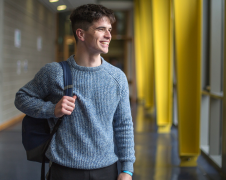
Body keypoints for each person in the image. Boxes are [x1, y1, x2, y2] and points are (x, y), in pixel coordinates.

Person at [14, 4, 135, 180]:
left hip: (107, 169)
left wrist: (127, 169)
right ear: (81, 34)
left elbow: (124, 124)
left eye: (109, 29)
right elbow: (21, 98)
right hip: (64, 170)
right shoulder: (54, 72)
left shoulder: (117, 77)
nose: (109, 35)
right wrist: (51, 109)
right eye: (101, 29)